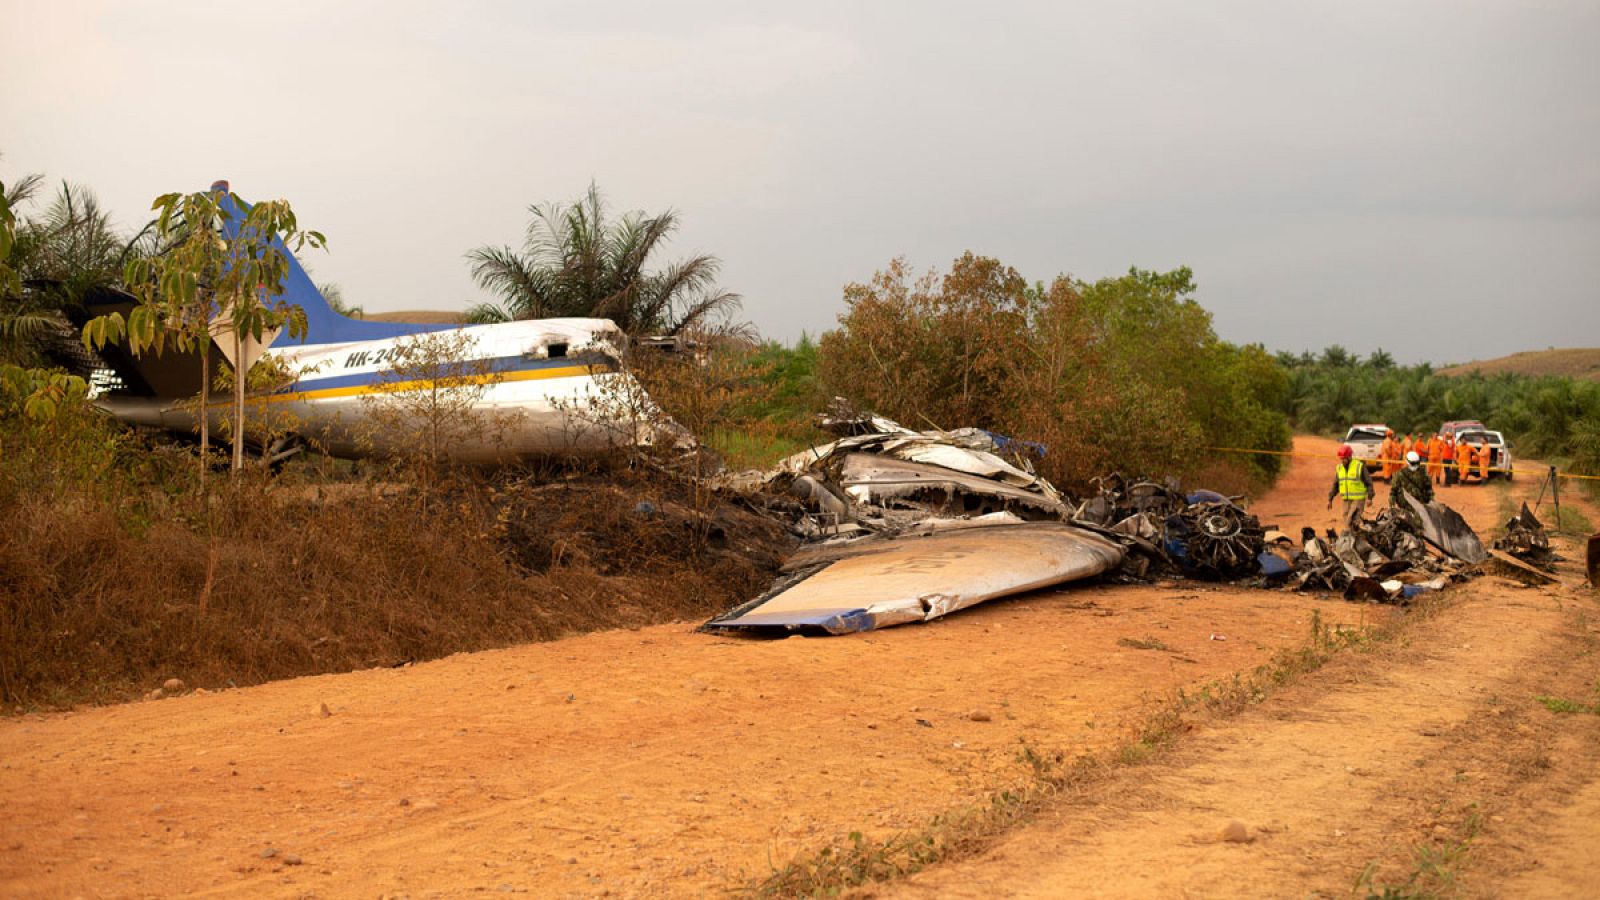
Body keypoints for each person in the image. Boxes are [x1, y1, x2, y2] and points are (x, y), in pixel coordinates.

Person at [1327, 443, 1373, 530]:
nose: (1342, 460)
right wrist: (1330, 499)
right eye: (1341, 458)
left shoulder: (1359, 466)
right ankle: (1355, 536)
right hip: (1346, 500)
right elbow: (1336, 485)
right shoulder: (1339, 468)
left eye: (1344, 458)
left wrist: (1370, 497)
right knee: (1347, 522)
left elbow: (1369, 482)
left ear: (1350, 457)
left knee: (1351, 520)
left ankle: (1352, 536)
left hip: (1358, 499)